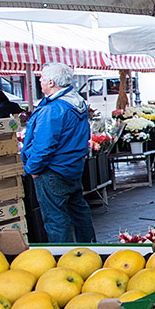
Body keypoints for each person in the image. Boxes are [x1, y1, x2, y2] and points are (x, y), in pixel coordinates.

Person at [21, 63, 96, 243]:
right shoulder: (77, 102)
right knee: (79, 213)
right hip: (72, 168)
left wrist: (32, 168)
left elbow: (44, 145)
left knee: (56, 220)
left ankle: (63, 261)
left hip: (53, 171)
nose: (40, 81)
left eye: (42, 78)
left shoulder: (54, 109)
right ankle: (91, 250)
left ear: (52, 82)